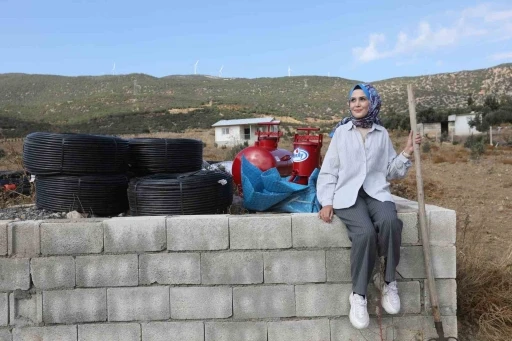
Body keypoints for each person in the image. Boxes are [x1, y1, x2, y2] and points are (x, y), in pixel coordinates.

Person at [316, 83, 421, 329]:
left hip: (375, 192)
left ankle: (387, 281)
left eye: (362, 99)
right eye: (353, 100)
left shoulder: (381, 134)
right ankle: (359, 295)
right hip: (347, 196)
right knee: (364, 234)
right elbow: (329, 171)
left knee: (391, 222)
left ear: (372, 103)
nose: (357, 104)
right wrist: (327, 201)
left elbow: (390, 172)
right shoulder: (341, 133)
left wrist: (406, 152)